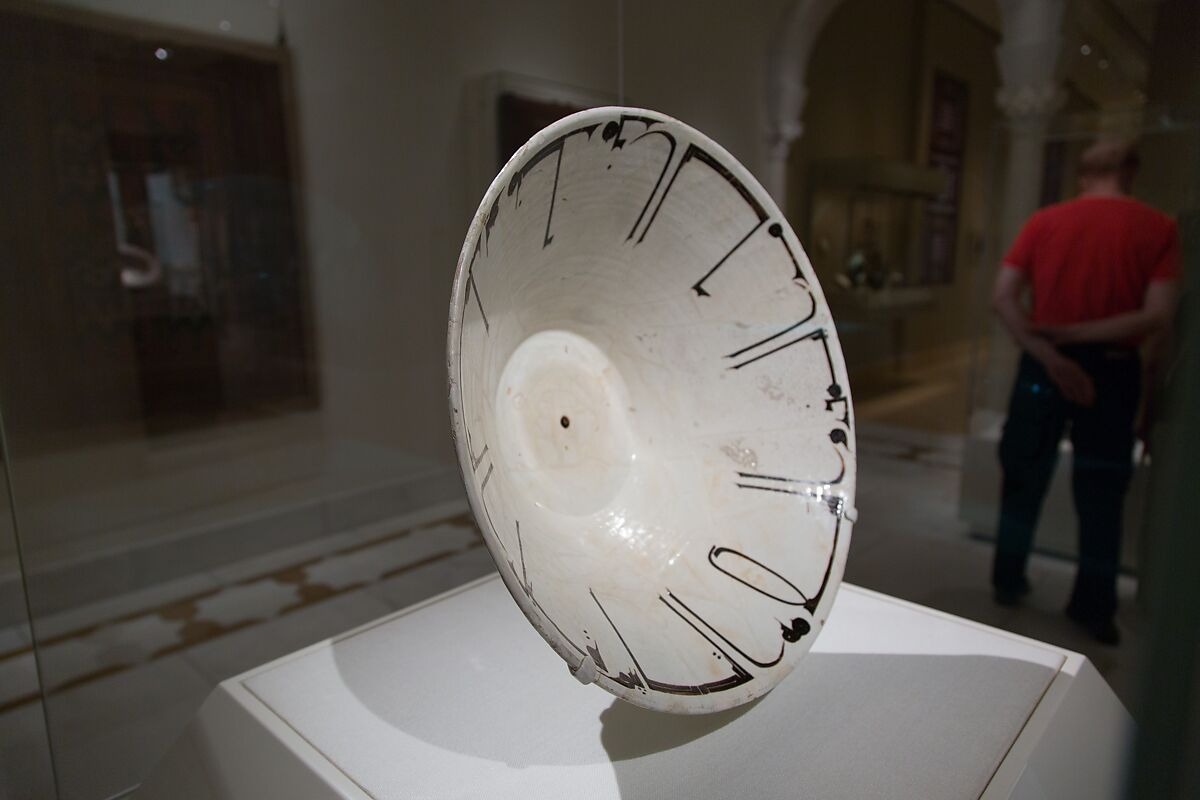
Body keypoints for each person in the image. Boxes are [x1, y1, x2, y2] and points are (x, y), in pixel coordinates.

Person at [989, 138, 1180, 645]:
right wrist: (1075, 344)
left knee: (1024, 476)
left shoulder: (1046, 222)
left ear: (1083, 175)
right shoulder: (1158, 227)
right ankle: (1094, 607)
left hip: (1044, 359)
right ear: (1131, 173)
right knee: (1101, 494)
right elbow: (1158, 314)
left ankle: (1008, 580)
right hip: (1110, 368)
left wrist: (1051, 349)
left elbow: (1004, 297)